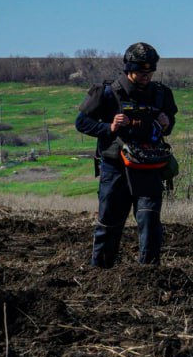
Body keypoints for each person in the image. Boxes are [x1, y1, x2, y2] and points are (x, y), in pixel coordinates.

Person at [76, 42, 179, 267]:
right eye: (141, 71)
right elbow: (82, 123)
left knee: (150, 221)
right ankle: (100, 272)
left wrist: (166, 123)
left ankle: (149, 273)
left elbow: (169, 125)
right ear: (129, 68)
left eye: (150, 71)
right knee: (109, 223)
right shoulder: (106, 93)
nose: (146, 76)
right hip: (115, 168)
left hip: (149, 167)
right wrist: (109, 127)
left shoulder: (161, 94)